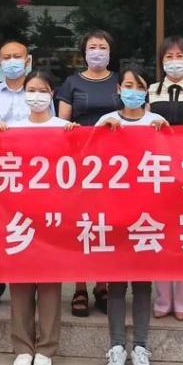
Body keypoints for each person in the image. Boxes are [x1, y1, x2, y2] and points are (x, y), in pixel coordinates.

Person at [97, 65, 166, 365]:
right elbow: (89, 161)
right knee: (115, 284)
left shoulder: (156, 121)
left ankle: (140, 347)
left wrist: (166, 135)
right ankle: (116, 346)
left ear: (146, 91)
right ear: (118, 89)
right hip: (114, 214)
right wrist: (101, 133)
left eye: (139, 86)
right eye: (127, 85)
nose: (133, 91)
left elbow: (173, 162)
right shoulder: (106, 120)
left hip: (147, 216)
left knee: (141, 284)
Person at [6, 71, 70, 365]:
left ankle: (46, 348)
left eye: (42, 90)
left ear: (52, 94)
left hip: (52, 215)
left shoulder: (63, 128)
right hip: (19, 214)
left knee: (49, 283)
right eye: (31, 90)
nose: (36, 96)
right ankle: (22, 347)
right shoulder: (12, 128)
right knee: (19, 283)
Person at [57, 29, 119, 317]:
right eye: (92, 47)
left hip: (115, 165)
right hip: (80, 164)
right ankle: (80, 286)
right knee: (81, 224)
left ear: (110, 52)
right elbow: (62, 124)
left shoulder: (119, 81)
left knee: (107, 223)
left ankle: (102, 285)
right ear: (83, 52)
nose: (97, 51)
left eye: (102, 47)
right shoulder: (72, 83)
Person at [0, 39, 37, 312]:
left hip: (32, 172)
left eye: (17, 56)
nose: (12, 61)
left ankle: (28, 285)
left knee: (29, 227)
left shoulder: (37, 92)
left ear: (28, 61)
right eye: (7, 57)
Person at [148, 36, 183, 321]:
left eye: (180, 56)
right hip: (157, 170)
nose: (174, 61)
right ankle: (162, 298)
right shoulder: (150, 91)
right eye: (168, 56)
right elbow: (142, 130)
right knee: (160, 232)